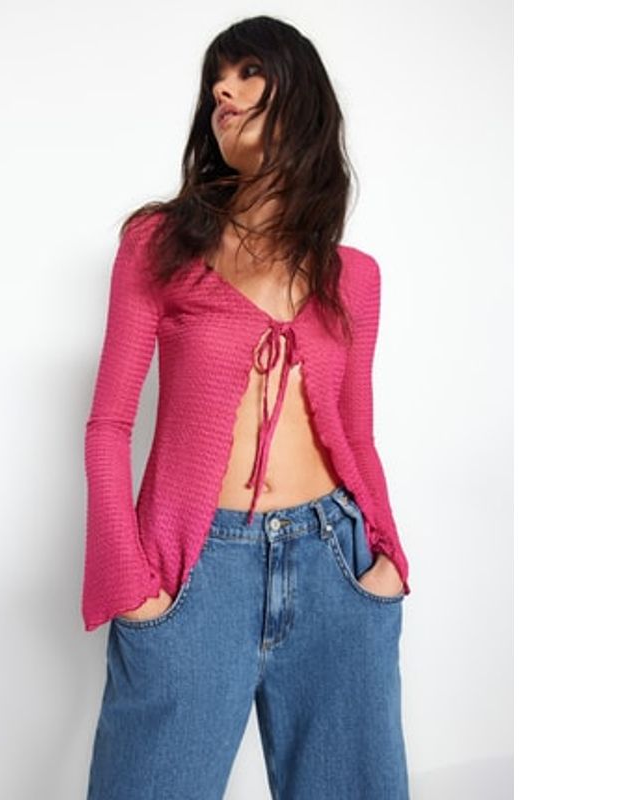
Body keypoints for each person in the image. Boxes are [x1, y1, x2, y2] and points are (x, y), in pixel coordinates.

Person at [83, 15, 411, 800]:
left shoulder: (354, 277)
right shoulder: (159, 244)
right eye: (215, 82)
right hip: (196, 573)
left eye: (246, 73)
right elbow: (109, 426)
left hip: (337, 566)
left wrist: (390, 561)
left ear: (300, 94)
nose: (222, 93)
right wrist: (133, 584)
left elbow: (356, 432)